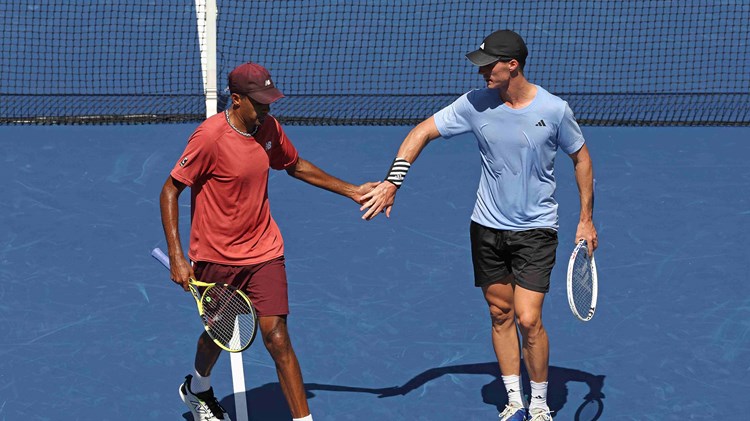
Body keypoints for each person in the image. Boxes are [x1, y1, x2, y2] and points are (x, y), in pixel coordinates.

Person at [359, 29, 597, 421]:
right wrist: (392, 181)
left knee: (528, 318)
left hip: (536, 228)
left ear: (512, 65)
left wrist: (586, 219)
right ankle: (514, 401)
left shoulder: (554, 110)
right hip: (486, 227)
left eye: (489, 65)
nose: (482, 71)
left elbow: (582, 158)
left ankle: (539, 403)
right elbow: (422, 131)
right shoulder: (475, 104)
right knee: (500, 314)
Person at [160, 61, 378, 421]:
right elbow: (170, 190)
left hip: (264, 251)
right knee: (220, 332)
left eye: (269, 100)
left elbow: (294, 165)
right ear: (236, 100)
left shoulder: (269, 128)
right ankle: (197, 388)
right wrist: (177, 255)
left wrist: (352, 191)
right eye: (260, 102)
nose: (267, 108)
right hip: (217, 255)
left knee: (276, 337)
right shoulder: (209, 138)